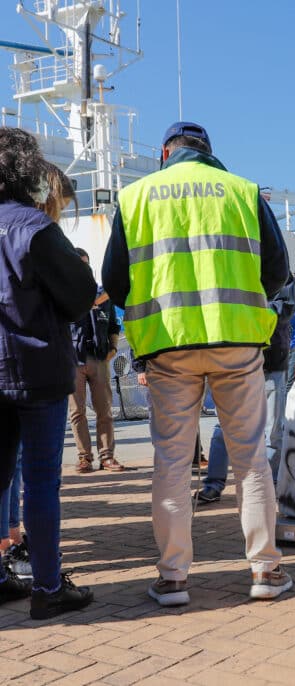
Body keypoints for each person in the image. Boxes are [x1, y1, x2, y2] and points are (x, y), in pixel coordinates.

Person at [102, 121, 292, 605]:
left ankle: (173, 579)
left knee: (171, 461)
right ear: (209, 151)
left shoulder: (138, 196)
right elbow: (277, 272)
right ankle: (265, 571)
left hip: (168, 345)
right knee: (250, 459)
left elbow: (114, 281)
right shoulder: (243, 192)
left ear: (165, 151)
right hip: (237, 342)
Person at [0, 128, 96, 617]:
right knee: (40, 481)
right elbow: (81, 295)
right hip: (36, 368)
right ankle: (47, 587)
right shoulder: (34, 228)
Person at [195, 277, 295, 505]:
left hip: (271, 362)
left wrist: (248, 309)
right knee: (223, 429)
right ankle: (213, 485)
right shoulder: (229, 259)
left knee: (272, 431)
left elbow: (285, 308)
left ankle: (267, 487)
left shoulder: (280, 270)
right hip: (234, 361)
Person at [69, 248, 125, 473]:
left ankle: (107, 457)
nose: (83, 268)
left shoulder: (104, 296)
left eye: (86, 264)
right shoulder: (64, 294)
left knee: (105, 410)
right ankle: (84, 458)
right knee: (77, 412)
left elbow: (113, 325)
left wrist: (112, 347)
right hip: (73, 360)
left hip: (99, 359)